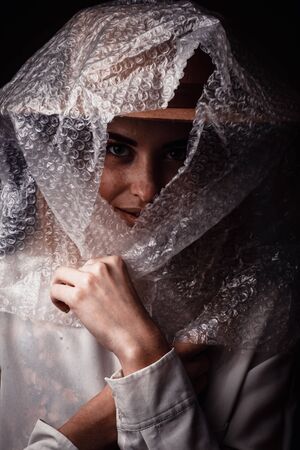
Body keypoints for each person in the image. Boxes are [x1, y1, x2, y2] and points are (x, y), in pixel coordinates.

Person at [0, 1, 299, 449]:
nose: (148, 189)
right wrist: (109, 414)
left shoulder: (260, 311)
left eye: (180, 151)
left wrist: (140, 351)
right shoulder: (7, 291)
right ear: (67, 154)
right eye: (117, 149)